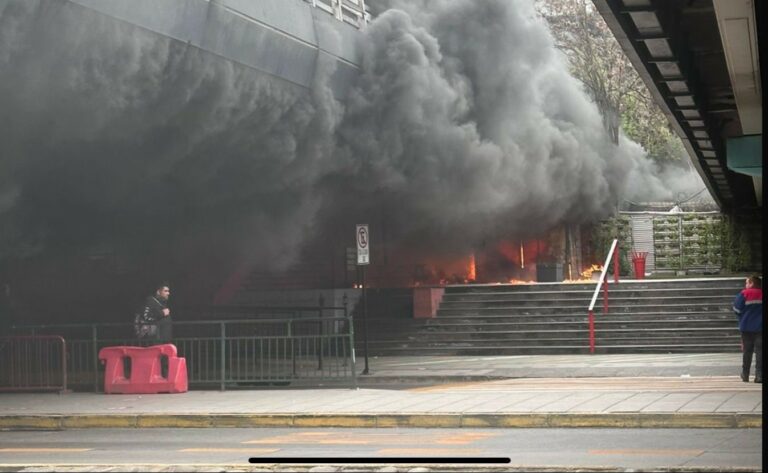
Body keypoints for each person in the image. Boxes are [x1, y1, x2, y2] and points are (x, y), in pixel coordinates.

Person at [733, 275, 762, 383]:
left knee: (747, 351)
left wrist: (743, 316)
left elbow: (736, 309)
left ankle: (745, 374)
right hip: (760, 328)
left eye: (747, 283)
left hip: (746, 327)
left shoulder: (744, 293)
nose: (746, 285)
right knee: (760, 352)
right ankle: (759, 376)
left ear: (752, 283)